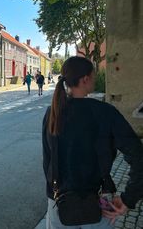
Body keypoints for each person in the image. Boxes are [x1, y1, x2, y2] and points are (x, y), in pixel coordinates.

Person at [42, 56, 143, 229]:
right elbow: (138, 155)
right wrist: (129, 199)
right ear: (85, 79)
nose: (95, 80)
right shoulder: (105, 112)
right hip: (99, 199)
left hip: (59, 200)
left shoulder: (53, 112)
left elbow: (48, 160)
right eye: (94, 76)